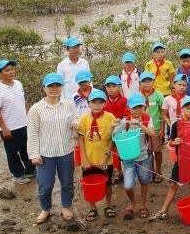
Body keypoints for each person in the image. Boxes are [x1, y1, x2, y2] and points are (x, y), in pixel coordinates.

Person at [27, 72, 78, 224]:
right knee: (45, 185)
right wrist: (34, 154)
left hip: (66, 151)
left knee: (67, 182)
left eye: (57, 85)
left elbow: (75, 120)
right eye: (51, 86)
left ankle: (66, 207)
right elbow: (32, 133)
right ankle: (45, 209)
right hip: (45, 154)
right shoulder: (36, 109)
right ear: (44, 88)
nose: (54, 88)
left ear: (61, 87)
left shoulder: (69, 104)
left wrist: (76, 124)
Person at [150, 96, 190, 221]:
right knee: (173, 185)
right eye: (188, 108)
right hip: (181, 160)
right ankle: (164, 209)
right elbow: (170, 142)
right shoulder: (176, 125)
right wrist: (176, 142)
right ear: (182, 109)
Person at [0, 59, 35, 184]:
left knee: (26, 149)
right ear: (0, 74)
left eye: (12, 69)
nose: (11, 72)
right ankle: (18, 174)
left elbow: (21, 104)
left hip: (24, 124)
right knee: (12, 153)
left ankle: (30, 170)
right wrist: (4, 129)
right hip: (9, 128)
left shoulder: (18, 84)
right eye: (7, 70)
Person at [113, 93, 155, 219]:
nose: (137, 111)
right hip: (128, 158)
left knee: (144, 180)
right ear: (129, 108)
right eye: (134, 108)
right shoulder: (125, 121)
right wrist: (116, 125)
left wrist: (140, 125)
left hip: (144, 156)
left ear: (144, 107)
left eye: (140, 107)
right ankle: (132, 203)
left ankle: (142, 205)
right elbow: (114, 135)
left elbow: (152, 134)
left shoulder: (147, 118)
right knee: (128, 185)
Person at [77, 89, 117, 220]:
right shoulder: (83, 119)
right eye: (94, 102)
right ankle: (93, 208)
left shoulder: (110, 117)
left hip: (105, 160)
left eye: (100, 102)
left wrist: (106, 157)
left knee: (107, 183)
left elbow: (113, 138)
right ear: (89, 103)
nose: (97, 105)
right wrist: (84, 159)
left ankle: (108, 205)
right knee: (89, 184)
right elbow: (81, 139)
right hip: (89, 158)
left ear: (104, 103)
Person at [138, 72, 166, 183]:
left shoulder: (158, 95)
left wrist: (163, 129)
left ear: (153, 81)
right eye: (144, 81)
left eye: (149, 81)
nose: (147, 83)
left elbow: (163, 113)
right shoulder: (138, 96)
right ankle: (151, 171)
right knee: (147, 151)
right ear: (140, 82)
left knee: (157, 150)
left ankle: (159, 171)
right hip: (142, 128)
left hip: (156, 128)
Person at [56, 36, 90, 100]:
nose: (76, 49)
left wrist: (89, 96)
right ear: (67, 49)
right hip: (68, 100)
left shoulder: (84, 63)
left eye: (77, 47)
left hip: (83, 99)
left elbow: (89, 81)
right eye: (73, 47)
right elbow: (59, 84)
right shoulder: (62, 65)